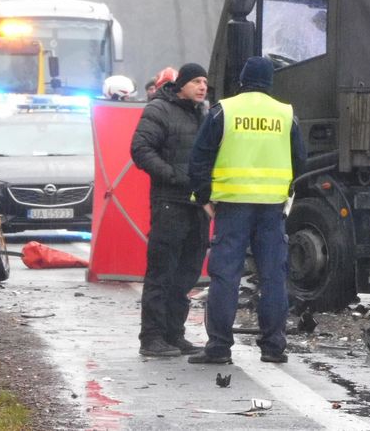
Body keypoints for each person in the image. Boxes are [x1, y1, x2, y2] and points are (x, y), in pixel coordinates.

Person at [187, 56, 307, 365]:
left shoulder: (224, 111)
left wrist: (204, 197)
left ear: (242, 80)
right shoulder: (286, 114)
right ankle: (273, 347)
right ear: (270, 82)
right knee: (273, 278)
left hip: (231, 205)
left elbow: (199, 157)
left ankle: (218, 347)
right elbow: (300, 161)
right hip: (272, 209)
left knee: (225, 276)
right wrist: (287, 193)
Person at [130, 63, 211, 357]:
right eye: (197, 81)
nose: (203, 86)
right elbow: (141, 149)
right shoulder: (160, 110)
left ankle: (174, 334)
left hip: (197, 205)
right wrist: (173, 176)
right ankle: (151, 338)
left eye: (205, 82)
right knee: (161, 273)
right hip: (169, 202)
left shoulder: (205, 113)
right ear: (182, 84)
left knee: (187, 274)